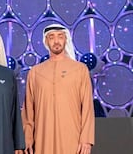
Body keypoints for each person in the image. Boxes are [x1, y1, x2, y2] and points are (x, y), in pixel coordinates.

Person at [22, 24, 95, 154]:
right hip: (43, 138)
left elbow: (87, 108)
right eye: (51, 37)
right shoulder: (35, 72)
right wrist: (27, 138)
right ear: (46, 42)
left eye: (60, 36)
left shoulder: (80, 69)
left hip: (73, 138)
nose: (56, 41)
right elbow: (28, 110)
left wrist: (86, 139)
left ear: (65, 39)